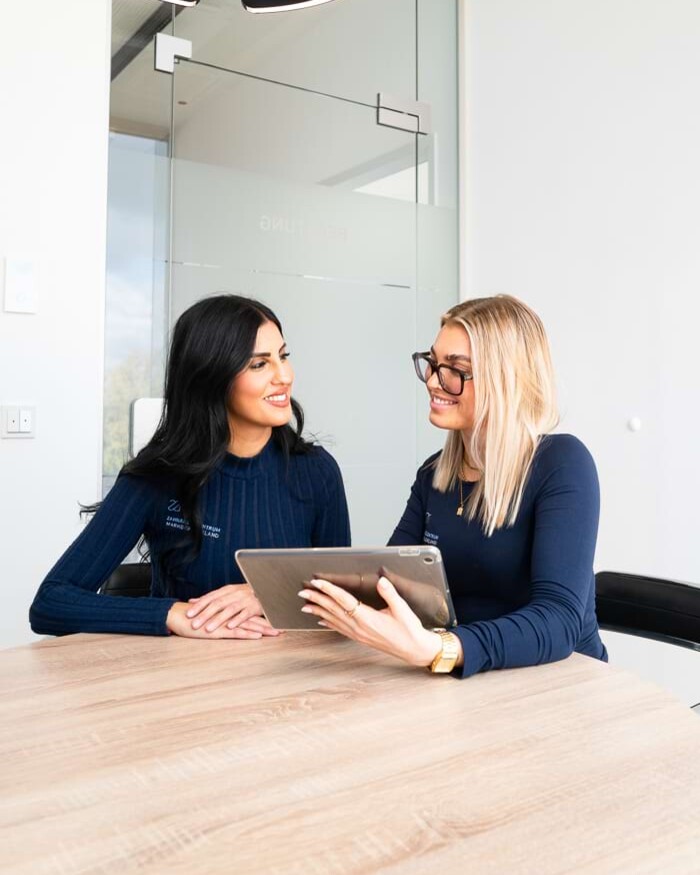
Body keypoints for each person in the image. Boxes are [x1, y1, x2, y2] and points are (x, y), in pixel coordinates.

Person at [299, 295, 607, 677]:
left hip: (563, 681)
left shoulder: (561, 463)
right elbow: (388, 583)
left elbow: (559, 621)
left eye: (455, 370)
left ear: (505, 380)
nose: (433, 381)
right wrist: (284, 595)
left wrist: (440, 648)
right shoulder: (434, 474)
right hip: (473, 678)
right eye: (432, 363)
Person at [29, 294, 350, 639]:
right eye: (259, 364)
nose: (284, 376)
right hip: (182, 669)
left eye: (283, 356)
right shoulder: (154, 479)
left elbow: (343, 598)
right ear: (213, 376)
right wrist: (170, 613)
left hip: (289, 670)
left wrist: (266, 593)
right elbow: (50, 603)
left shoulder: (317, 472)